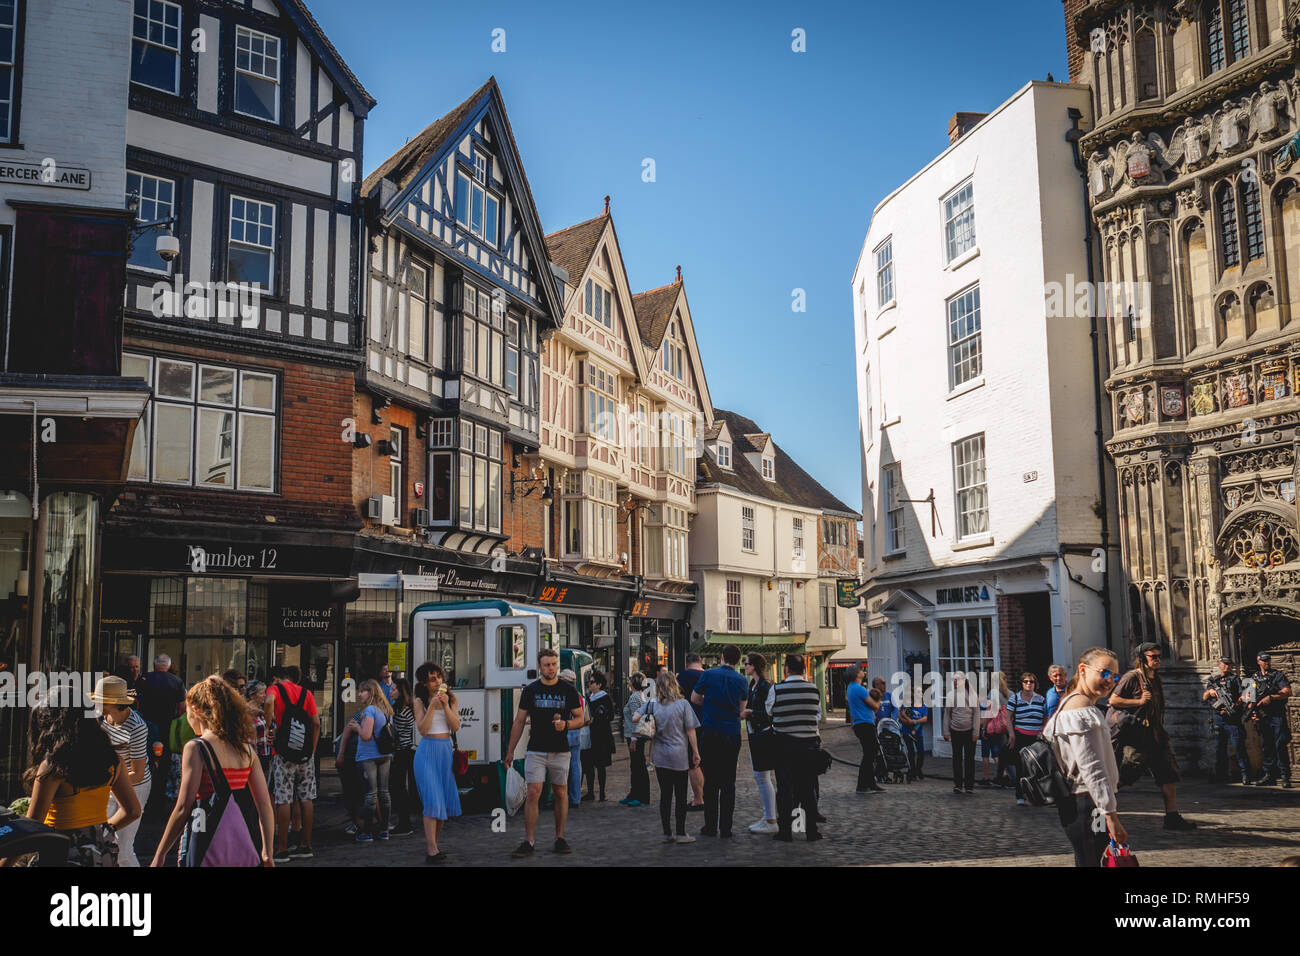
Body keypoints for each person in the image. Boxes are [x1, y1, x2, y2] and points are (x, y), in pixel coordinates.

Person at [151, 675, 275, 867]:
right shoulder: (247, 750)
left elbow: (183, 807)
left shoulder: (196, 748)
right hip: (243, 843)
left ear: (196, 710)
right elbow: (264, 805)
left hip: (205, 839)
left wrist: (160, 853)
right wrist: (267, 851)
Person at [8, 696, 141, 867]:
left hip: (60, 850)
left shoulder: (53, 767)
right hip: (101, 853)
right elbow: (133, 811)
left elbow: (31, 827)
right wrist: (100, 831)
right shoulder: (113, 760)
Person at [1041, 646, 1128, 867]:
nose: (1110, 681)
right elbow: (1093, 768)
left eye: (1115, 676)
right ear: (1083, 670)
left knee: (1090, 859)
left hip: (1082, 802)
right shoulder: (1081, 711)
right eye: (1105, 673)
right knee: (1090, 859)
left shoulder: (1073, 704)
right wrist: (1111, 815)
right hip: (1086, 802)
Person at [1107, 642, 1197, 830]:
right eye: (1152, 657)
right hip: (1138, 737)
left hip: (1157, 735)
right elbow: (1113, 700)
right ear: (1142, 659)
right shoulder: (1132, 677)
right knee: (1126, 775)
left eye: (1158, 656)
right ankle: (1099, 809)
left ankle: (1171, 816)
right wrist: (1138, 701)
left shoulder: (1156, 678)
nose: (1157, 660)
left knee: (1169, 774)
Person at [504, 646, 584, 857]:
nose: (551, 668)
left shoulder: (568, 690)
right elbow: (519, 721)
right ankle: (529, 841)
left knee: (560, 792)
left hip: (560, 750)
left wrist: (565, 725)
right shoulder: (530, 690)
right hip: (536, 749)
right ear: (540, 667)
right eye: (547, 665)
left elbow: (581, 718)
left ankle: (559, 837)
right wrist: (510, 750)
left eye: (554, 664)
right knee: (533, 793)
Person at [91, 676, 151, 867]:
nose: (95, 704)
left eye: (99, 700)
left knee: (123, 850)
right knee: (103, 841)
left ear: (112, 703)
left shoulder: (137, 727)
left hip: (135, 786)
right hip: (109, 782)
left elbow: (138, 773)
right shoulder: (100, 718)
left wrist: (104, 782)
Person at [690, 644, 748, 838]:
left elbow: (695, 698)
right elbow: (741, 709)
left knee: (711, 781)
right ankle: (726, 827)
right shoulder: (742, 680)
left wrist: (710, 701)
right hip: (732, 733)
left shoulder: (708, 675)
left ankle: (710, 825)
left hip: (711, 732)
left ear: (722, 657)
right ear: (738, 660)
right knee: (728, 782)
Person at [637, 669, 700, 843]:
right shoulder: (683, 704)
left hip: (660, 756)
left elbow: (635, 718)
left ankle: (667, 833)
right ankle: (681, 833)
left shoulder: (653, 704)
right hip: (679, 756)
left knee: (665, 795)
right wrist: (695, 752)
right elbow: (690, 730)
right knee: (680, 796)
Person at [265, 664, 320, 860]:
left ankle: (282, 848)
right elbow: (316, 723)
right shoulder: (306, 693)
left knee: (283, 798)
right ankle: (306, 844)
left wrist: (269, 725)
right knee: (306, 797)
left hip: (283, 754)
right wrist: (311, 749)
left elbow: (270, 701)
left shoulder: (275, 689)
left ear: (277, 678)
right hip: (305, 754)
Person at [767, 654, 823, 843]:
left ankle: (785, 832)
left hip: (784, 745)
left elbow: (770, 711)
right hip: (809, 746)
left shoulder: (777, 689)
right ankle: (811, 831)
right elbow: (816, 714)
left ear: (786, 668)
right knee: (807, 789)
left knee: (785, 789)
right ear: (804, 670)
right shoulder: (814, 690)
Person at [413, 663, 461, 862]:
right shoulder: (419, 701)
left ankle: (435, 846)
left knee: (442, 804)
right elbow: (423, 729)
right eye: (432, 679)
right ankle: (431, 850)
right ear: (424, 683)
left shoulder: (451, 698)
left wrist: (446, 705)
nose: (438, 681)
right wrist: (432, 705)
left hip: (444, 752)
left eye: (439, 677)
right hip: (427, 752)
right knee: (432, 801)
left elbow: (456, 725)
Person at [740, 652, 780, 831]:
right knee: (761, 777)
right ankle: (768, 817)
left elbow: (770, 714)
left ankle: (771, 819)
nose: (745, 666)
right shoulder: (753, 685)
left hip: (762, 734)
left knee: (763, 777)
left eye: (747, 663)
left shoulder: (765, 686)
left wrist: (750, 713)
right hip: (755, 734)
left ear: (754, 666)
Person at [353, 679, 393, 842]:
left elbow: (366, 735)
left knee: (371, 794)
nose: (359, 694)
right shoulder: (386, 710)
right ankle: (384, 830)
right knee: (384, 793)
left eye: (362, 691)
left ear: (370, 692)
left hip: (369, 755)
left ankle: (367, 832)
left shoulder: (370, 710)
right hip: (385, 754)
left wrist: (356, 727)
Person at [1245, 653, 1292, 788]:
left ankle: (1284, 776)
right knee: (1267, 747)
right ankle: (1269, 775)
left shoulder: (1277, 675)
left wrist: (1272, 698)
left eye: (1268, 660)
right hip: (1262, 717)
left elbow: (1288, 692)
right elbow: (1246, 697)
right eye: (1264, 661)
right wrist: (1250, 707)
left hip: (1277, 716)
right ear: (1258, 661)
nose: (1267, 663)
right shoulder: (1253, 678)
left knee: (1280, 746)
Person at [1202, 658, 1248, 785]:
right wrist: (1210, 692)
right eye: (1225, 664)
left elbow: (1242, 695)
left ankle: (1245, 774)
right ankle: (1221, 775)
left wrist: (1234, 706)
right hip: (1218, 718)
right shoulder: (1213, 680)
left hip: (1232, 718)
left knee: (1239, 747)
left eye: (1229, 665)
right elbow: (1204, 697)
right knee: (1219, 748)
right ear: (1219, 665)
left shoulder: (1235, 679)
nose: (1227, 667)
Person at [1008, 671, 1047, 805]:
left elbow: (1045, 717)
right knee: (1021, 767)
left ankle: (1036, 795)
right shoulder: (1015, 698)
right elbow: (1008, 717)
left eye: (1031, 682)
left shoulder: (1041, 699)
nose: (1029, 684)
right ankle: (1020, 795)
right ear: (1022, 684)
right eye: (1026, 681)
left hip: (1035, 737)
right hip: (1021, 735)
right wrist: (1011, 734)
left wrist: (1043, 732)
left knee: (1036, 768)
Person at [676, 653, 707, 811]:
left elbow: (676, 698)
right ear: (700, 662)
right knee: (706, 763)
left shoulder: (684, 676)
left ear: (687, 663)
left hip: (690, 724)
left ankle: (698, 798)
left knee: (693, 763)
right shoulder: (708, 675)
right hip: (708, 722)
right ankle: (708, 795)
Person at [846, 666, 884, 793]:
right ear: (857, 674)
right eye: (861, 670)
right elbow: (874, 706)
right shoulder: (860, 689)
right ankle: (862, 785)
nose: (863, 671)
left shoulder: (850, 688)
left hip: (859, 723)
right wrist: (879, 697)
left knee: (870, 753)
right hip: (865, 723)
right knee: (870, 755)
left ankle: (871, 783)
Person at [943, 673, 980, 794]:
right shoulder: (950, 695)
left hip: (969, 731)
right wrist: (946, 731)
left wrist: (976, 731)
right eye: (953, 680)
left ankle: (969, 785)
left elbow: (976, 715)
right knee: (956, 758)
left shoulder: (972, 695)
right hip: (955, 731)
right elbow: (947, 714)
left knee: (969, 759)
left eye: (957, 680)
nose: (954, 682)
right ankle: (958, 784)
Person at [389, 677, 418, 835]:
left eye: (394, 689)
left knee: (398, 787)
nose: (391, 691)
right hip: (406, 751)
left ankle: (404, 824)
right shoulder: (405, 709)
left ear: (401, 692)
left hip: (403, 752)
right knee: (401, 787)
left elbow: (397, 734)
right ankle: (404, 822)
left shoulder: (402, 711)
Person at [582, 671, 616, 801]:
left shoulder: (605, 698)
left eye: (591, 682)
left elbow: (610, 716)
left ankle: (602, 793)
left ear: (599, 684)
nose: (589, 685)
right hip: (590, 735)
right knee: (588, 765)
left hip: (602, 736)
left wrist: (597, 718)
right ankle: (590, 792)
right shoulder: (588, 699)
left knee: (601, 766)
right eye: (589, 682)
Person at [980, 671, 1013, 788]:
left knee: (996, 752)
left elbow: (989, 712)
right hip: (1007, 727)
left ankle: (1004, 776)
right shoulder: (1010, 694)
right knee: (1003, 752)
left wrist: (983, 728)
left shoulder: (992, 693)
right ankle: (1004, 776)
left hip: (994, 727)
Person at [622, 672, 651, 807]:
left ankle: (641, 795)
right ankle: (634, 793)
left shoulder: (634, 697)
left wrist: (633, 738)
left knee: (638, 765)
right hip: (637, 735)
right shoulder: (641, 696)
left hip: (634, 735)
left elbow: (635, 719)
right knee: (636, 765)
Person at [559, 669, 584, 809]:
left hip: (564, 730)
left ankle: (562, 797)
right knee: (575, 766)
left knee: (561, 766)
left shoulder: (563, 693)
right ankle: (575, 798)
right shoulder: (579, 695)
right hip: (576, 731)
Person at [899, 685, 929, 781]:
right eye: (919, 692)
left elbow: (925, 718)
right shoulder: (907, 704)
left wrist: (915, 722)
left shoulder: (923, 706)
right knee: (911, 751)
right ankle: (912, 770)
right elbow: (901, 716)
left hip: (918, 732)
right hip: (907, 732)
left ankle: (918, 769)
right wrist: (907, 720)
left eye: (921, 692)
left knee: (921, 752)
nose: (921, 694)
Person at [245, 680, 273, 779]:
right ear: (252, 695)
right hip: (256, 755)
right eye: (261, 693)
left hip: (264, 753)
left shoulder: (261, 710)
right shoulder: (248, 711)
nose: (265, 695)